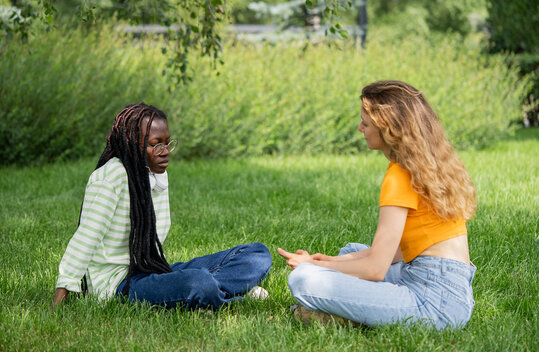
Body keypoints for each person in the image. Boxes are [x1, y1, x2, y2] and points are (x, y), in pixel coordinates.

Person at [278, 80, 477, 330]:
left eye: (367, 123)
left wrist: (312, 266)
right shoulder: (427, 165)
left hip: (433, 304)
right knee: (350, 250)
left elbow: (375, 269)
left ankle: (334, 315)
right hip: (451, 290)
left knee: (303, 279)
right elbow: (399, 252)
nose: (360, 128)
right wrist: (328, 261)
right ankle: (349, 309)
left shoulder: (399, 176)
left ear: (388, 129)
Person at [53, 103, 272, 309]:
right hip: (116, 285)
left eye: (167, 143)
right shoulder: (111, 176)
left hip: (149, 269)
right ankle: (232, 295)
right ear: (131, 142)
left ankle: (211, 292)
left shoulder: (155, 175)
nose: (165, 151)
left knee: (257, 254)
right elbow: (86, 237)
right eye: (155, 144)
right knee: (199, 282)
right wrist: (59, 300)